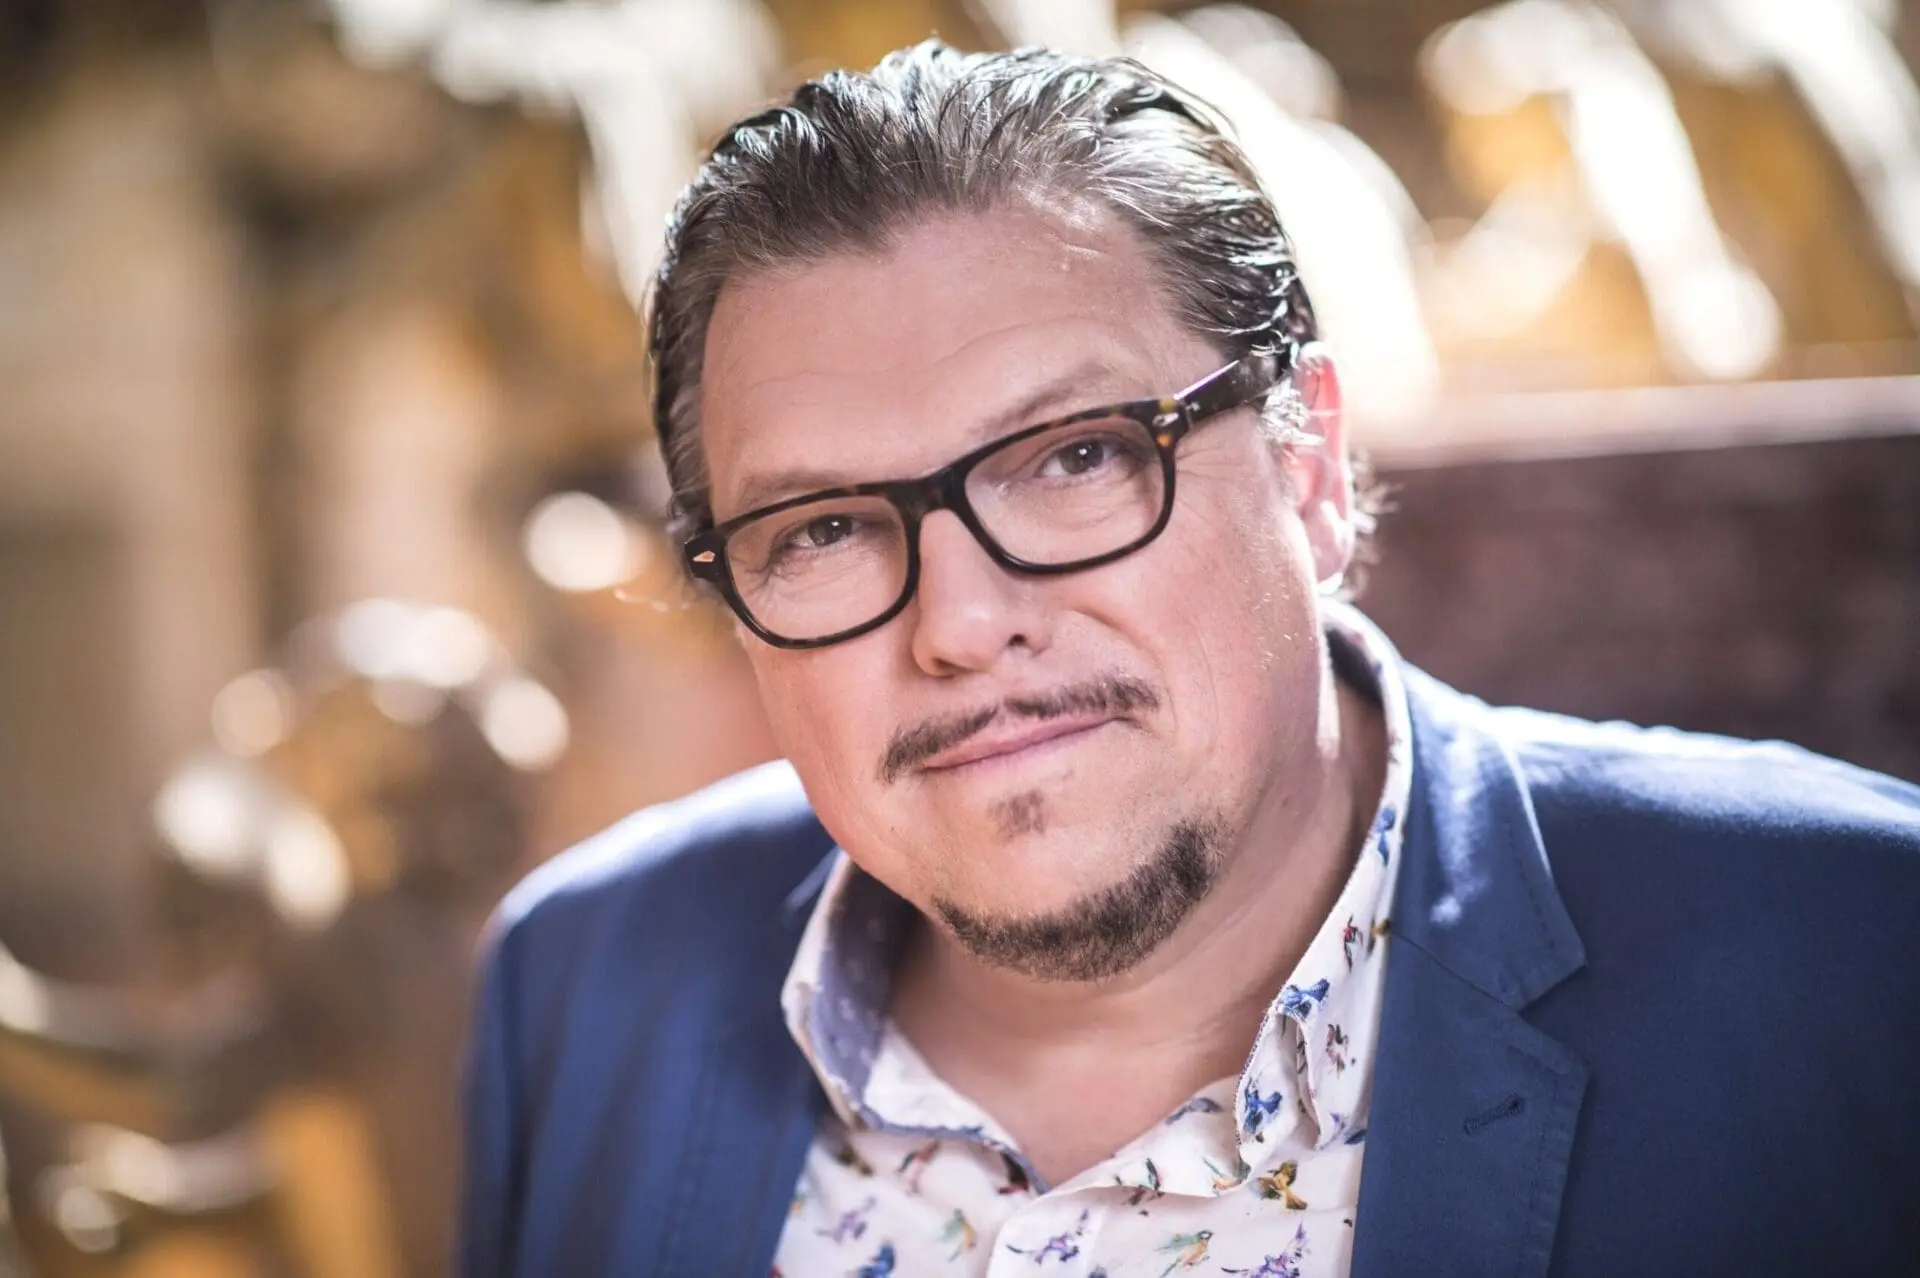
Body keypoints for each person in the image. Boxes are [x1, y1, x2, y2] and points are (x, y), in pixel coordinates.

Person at [457, 41, 1920, 1278]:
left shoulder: (1858, 952)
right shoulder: (579, 986)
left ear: (1311, 467)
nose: (959, 623)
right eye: (823, 529)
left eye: (1076, 457)